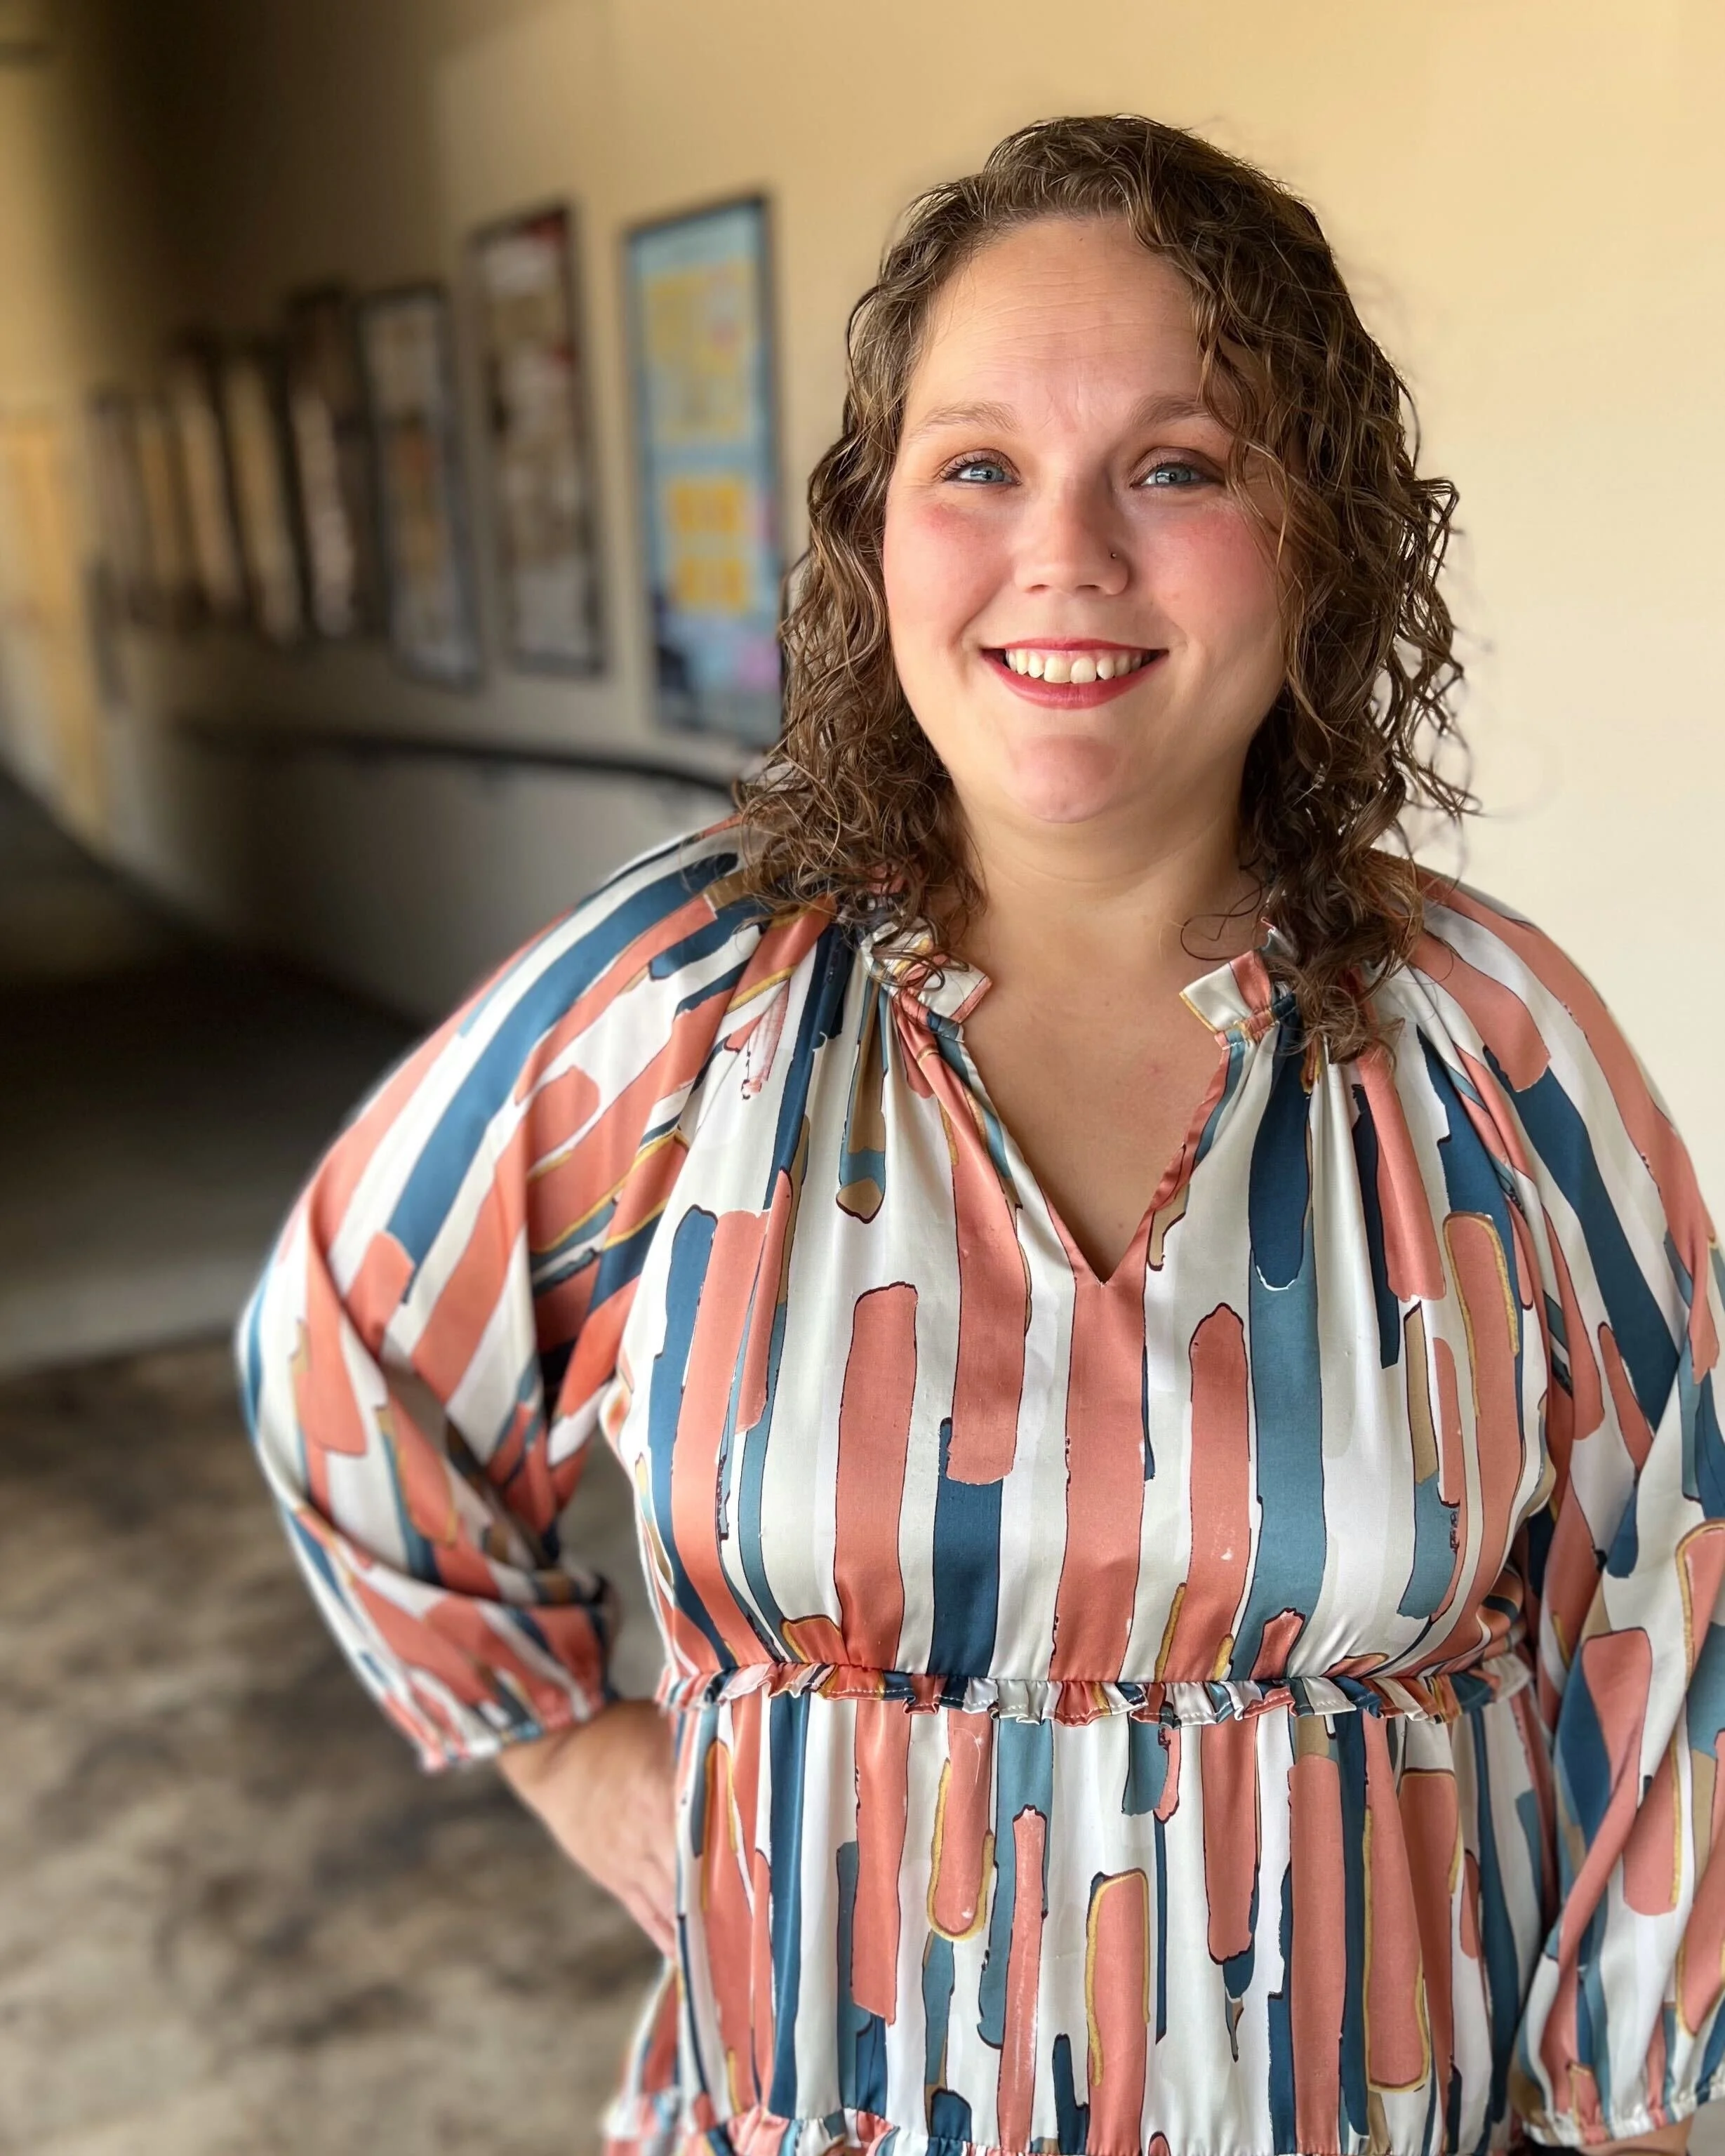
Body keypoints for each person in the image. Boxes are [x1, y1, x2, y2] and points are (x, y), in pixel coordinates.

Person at [239, 114, 1725, 2156]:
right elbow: (348, 1350)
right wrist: (568, 1752)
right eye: (979, 468)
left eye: (1178, 466)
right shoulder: (691, 1002)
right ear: (875, 535)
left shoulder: (1490, 1042)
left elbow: (1683, 1614)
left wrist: (1640, 2111)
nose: (1069, 554)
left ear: (1325, 532)